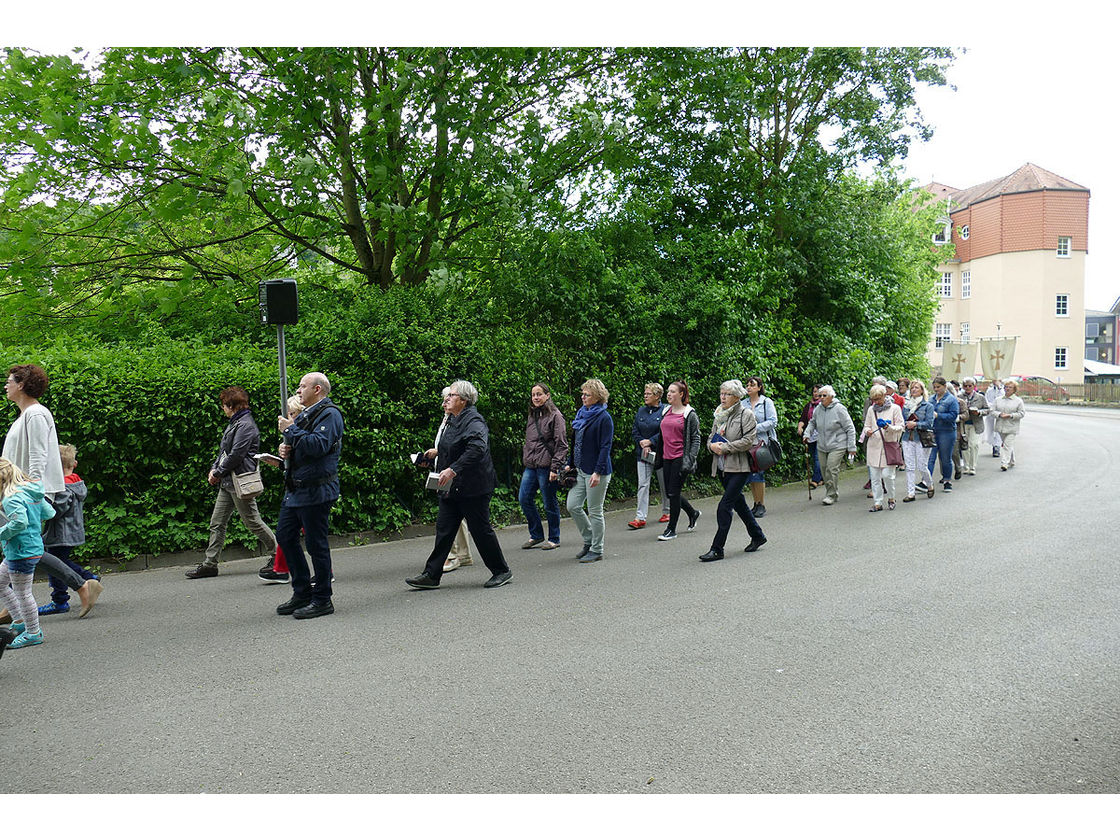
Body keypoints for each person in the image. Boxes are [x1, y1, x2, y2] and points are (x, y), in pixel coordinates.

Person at [2, 364, 103, 618]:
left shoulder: (35, 414)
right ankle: (13, 603)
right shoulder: (27, 414)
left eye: (10, 381)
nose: (6, 385)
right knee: (22, 547)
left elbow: (38, 457)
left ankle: (81, 586)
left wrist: (31, 492)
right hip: (20, 490)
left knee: (27, 548)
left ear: (22, 385)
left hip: (26, 492)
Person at [406, 380, 512, 589]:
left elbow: (476, 448)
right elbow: (454, 445)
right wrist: (437, 454)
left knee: (480, 530)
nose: (447, 398)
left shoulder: (474, 420)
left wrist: (452, 469)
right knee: (444, 529)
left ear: (463, 400)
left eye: (452, 395)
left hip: (474, 487)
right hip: (453, 487)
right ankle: (431, 574)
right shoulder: (453, 419)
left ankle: (501, 571)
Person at [187, 387, 278, 579]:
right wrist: (215, 469)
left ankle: (279, 555)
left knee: (252, 522)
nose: (222, 408)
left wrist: (217, 472)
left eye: (224, 405)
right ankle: (210, 564)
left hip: (239, 482)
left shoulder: (245, 425)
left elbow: (236, 454)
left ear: (232, 406)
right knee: (217, 523)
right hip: (228, 482)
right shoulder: (236, 422)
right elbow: (224, 452)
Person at [275, 372, 345, 618]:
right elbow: (304, 445)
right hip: (296, 489)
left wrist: (291, 431)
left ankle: (323, 598)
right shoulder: (306, 414)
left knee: (316, 545)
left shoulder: (330, 414)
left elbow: (318, 445)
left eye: (302, 386)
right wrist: (287, 450)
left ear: (317, 389)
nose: (297, 390)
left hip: (317, 490)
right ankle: (302, 591)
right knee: (284, 536)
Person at [699, 380, 766, 561]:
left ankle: (717, 548)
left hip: (740, 467)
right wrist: (711, 447)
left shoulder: (746, 414)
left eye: (727, 394)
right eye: (721, 393)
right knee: (740, 505)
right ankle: (758, 535)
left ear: (736, 397)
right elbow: (710, 438)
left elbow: (748, 440)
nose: (722, 397)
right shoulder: (719, 414)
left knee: (724, 506)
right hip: (722, 467)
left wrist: (726, 448)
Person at [0, 459, 55, 649]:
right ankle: (20, 622)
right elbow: (49, 513)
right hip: (23, 549)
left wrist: (1, 533)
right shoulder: (31, 492)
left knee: (23, 593)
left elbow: (19, 522)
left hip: (21, 552)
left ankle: (33, 632)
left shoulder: (10, 498)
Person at [38, 444, 99, 615]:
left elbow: (56, 511)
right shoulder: (77, 482)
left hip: (60, 534)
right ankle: (88, 579)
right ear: (75, 464)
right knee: (60, 562)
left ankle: (60, 600)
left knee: (55, 564)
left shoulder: (62, 487)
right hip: (71, 531)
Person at [565, 378, 615, 562]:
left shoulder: (604, 418)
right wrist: (570, 462)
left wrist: (597, 472)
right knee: (573, 506)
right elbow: (576, 442)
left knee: (595, 510)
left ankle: (597, 549)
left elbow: (605, 447)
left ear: (597, 397)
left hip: (596, 471)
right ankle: (589, 540)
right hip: (580, 469)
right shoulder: (582, 414)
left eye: (587, 394)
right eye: (583, 394)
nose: (583, 397)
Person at [258, 395, 304, 584]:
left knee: (308, 533)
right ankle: (282, 569)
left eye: (292, 414)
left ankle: (285, 570)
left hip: (306, 488)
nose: (288, 417)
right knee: (287, 531)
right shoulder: (292, 433)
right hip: (294, 486)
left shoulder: (300, 431)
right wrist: (280, 460)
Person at [428, 387, 474, 573]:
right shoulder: (448, 419)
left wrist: (443, 458)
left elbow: (462, 447)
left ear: (461, 400)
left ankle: (453, 555)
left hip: (453, 472)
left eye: (449, 397)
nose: (445, 402)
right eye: (445, 398)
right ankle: (464, 555)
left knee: (447, 515)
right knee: (456, 514)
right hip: (445, 469)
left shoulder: (462, 420)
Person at [518, 383, 568, 551]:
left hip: (547, 466)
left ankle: (554, 537)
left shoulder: (555, 415)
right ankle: (536, 534)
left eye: (539, 394)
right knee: (524, 498)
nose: (536, 397)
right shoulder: (532, 415)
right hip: (531, 465)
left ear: (547, 395)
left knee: (549, 502)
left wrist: (555, 468)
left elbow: (562, 445)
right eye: (533, 395)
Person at [657, 381, 701, 541]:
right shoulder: (666, 411)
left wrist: (690, 459)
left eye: (672, 391)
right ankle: (692, 513)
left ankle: (671, 529)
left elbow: (696, 438)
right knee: (671, 492)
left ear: (681, 394)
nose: (669, 394)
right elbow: (662, 434)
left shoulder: (689, 414)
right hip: (666, 458)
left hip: (680, 459)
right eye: (668, 391)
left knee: (673, 493)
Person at [802, 385, 856, 506]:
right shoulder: (818, 409)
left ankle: (831, 494)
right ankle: (830, 491)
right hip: (822, 445)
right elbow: (812, 423)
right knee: (823, 469)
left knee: (831, 469)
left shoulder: (840, 409)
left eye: (824, 395)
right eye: (820, 395)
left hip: (838, 444)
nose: (821, 398)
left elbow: (850, 428)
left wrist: (851, 447)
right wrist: (807, 434)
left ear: (831, 396)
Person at [629, 383, 670, 529]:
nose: (645, 396)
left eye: (648, 394)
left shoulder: (665, 410)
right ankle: (640, 517)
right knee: (642, 484)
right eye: (645, 393)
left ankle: (667, 511)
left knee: (664, 483)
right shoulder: (641, 411)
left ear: (658, 396)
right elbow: (635, 430)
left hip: (660, 453)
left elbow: (666, 430)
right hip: (643, 454)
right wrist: (641, 442)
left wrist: (651, 442)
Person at [860, 384, 904, 511]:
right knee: (874, 477)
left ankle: (891, 497)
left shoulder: (895, 408)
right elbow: (867, 425)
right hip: (873, 446)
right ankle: (878, 502)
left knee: (887, 475)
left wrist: (888, 427)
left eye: (879, 399)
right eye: (874, 400)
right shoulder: (871, 410)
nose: (877, 402)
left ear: (885, 395)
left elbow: (901, 427)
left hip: (888, 446)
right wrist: (867, 431)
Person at [744, 376, 777, 518]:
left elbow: (773, 421)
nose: (749, 387)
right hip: (747, 443)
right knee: (751, 473)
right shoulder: (743, 403)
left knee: (759, 473)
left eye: (752, 385)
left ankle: (761, 504)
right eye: (747, 385)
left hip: (762, 443)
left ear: (759, 387)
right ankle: (755, 503)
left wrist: (754, 428)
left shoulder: (766, 402)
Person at [900, 379, 936, 502]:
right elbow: (901, 420)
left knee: (922, 466)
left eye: (917, 387)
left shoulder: (928, 406)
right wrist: (906, 424)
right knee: (909, 467)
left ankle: (929, 484)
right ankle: (911, 493)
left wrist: (915, 425)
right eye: (912, 388)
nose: (914, 389)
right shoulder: (906, 406)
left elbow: (929, 423)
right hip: (907, 438)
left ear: (922, 390)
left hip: (922, 439)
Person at [929, 376, 960, 493]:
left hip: (947, 432)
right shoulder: (931, 399)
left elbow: (953, 416)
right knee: (930, 458)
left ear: (944, 387)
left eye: (938, 387)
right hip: (933, 431)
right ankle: (927, 481)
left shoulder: (951, 400)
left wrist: (939, 415)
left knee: (945, 458)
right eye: (934, 387)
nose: (936, 389)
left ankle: (947, 481)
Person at [958, 377, 989, 476]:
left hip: (975, 424)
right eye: (965, 386)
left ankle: (973, 466)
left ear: (974, 386)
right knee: (965, 445)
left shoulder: (980, 397)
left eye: (970, 386)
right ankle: (966, 466)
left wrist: (979, 412)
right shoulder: (959, 397)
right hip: (963, 424)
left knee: (974, 444)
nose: (967, 387)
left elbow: (987, 410)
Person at [993, 380, 1025, 471]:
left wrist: (1010, 415)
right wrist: (999, 414)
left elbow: (1022, 413)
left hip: (1012, 427)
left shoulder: (1018, 401)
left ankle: (1004, 463)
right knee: (1007, 445)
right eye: (1006, 387)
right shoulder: (998, 400)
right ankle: (1012, 460)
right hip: (1000, 426)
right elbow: (992, 411)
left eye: (1010, 387)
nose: (1007, 389)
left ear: (1014, 389)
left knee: (1007, 445)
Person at [796, 385, 824, 488]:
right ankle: (821, 478)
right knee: (814, 457)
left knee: (817, 457)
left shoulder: (823, 405)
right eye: (814, 392)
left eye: (818, 392)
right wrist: (800, 428)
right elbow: (803, 419)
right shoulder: (809, 406)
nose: (816, 394)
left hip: (821, 435)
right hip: (810, 435)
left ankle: (815, 480)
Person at [984, 378, 1005, 457]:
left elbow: (1004, 398)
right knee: (991, 430)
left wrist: (999, 387)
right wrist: (991, 407)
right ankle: (993, 444)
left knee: (998, 430)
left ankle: (997, 446)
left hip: (1000, 413)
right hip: (991, 413)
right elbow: (987, 400)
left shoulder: (1003, 390)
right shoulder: (989, 390)